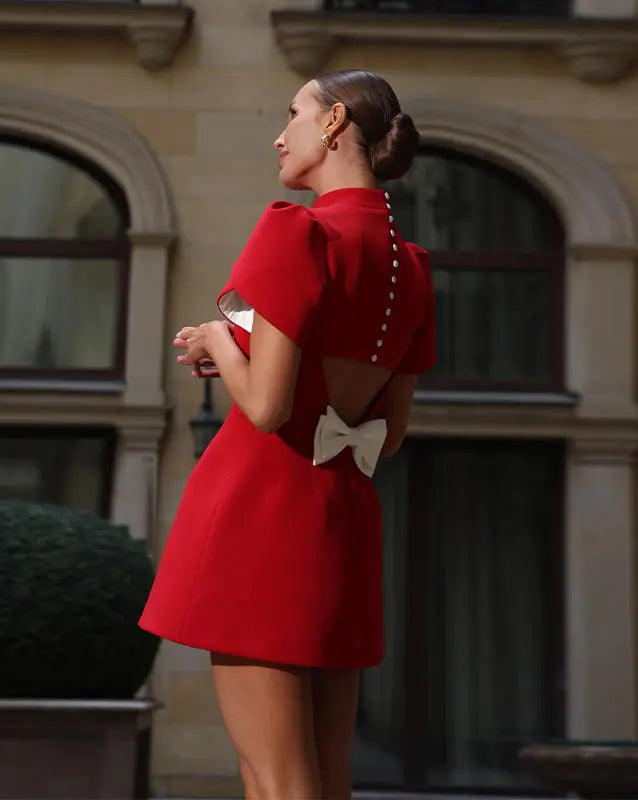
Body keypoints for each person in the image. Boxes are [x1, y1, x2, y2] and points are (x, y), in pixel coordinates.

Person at [139, 69, 436, 800]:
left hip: (261, 512)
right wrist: (243, 356)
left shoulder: (296, 230)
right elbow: (387, 434)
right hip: (339, 516)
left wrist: (217, 335)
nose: (281, 133)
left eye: (293, 114)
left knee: (273, 778)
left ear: (334, 123)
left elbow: (268, 409)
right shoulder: (412, 266)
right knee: (324, 776)